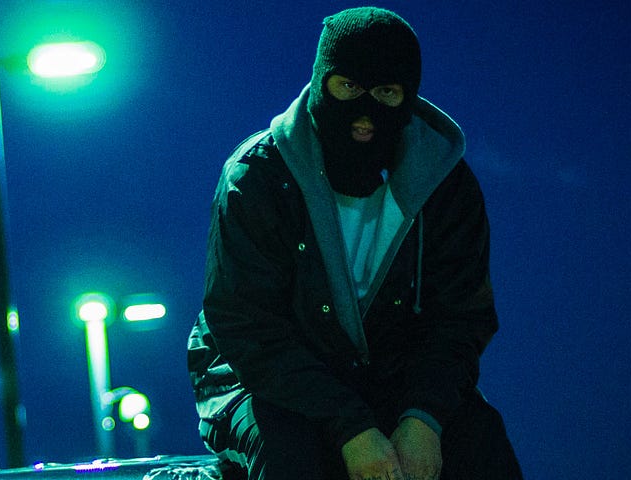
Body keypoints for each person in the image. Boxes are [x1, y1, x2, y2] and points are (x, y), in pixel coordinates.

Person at [187, 7, 522, 480]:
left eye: (386, 92)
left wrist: (422, 418)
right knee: (294, 460)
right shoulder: (259, 176)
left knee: (481, 446)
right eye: (347, 87)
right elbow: (246, 324)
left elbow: (459, 318)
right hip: (260, 380)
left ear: (407, 95)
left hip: (391, 374)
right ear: (322, 81)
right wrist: (351, 428)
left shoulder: (445, 184)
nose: (364, 112)